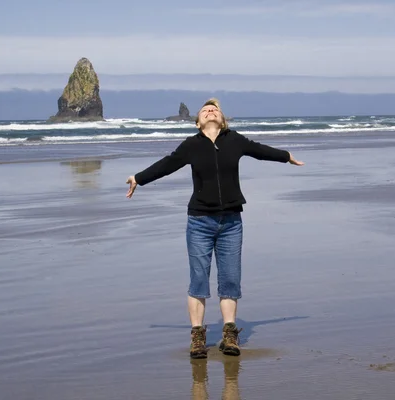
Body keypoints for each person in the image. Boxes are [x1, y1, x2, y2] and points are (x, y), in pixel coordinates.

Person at [126, 98, 304, 359]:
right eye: (205, 110)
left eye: (215, 109)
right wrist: (138, 179)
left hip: (231, 221)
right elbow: (166, 164)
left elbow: (260, 150)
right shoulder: (191, 145)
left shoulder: (235, 140)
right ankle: (198, 337)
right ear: (198, 122)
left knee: (230, 279)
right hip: (199, 222)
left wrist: (286, 157)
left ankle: (229, 335)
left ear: (223, 119)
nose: (210, 111)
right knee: (199, 279)